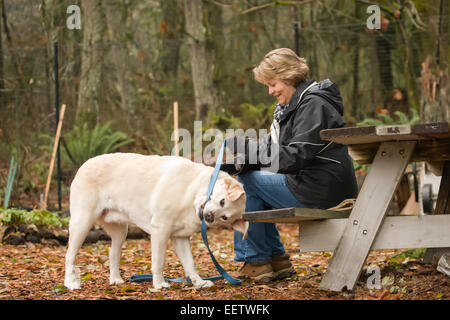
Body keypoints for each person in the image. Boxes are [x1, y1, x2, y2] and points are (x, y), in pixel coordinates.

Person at [220, 48, 358, 282]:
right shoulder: (292, 106)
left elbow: (295, 156)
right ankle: (275, 259)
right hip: (314, 183)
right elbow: (273, 149)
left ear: (288, 76)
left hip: (322, 189)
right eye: (267, 85)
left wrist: (247, 151)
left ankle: (255, 260)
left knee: (247, 184)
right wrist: (238, 164)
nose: (270, 91)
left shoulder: (313, 105)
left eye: (273, 84)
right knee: (248, 176)